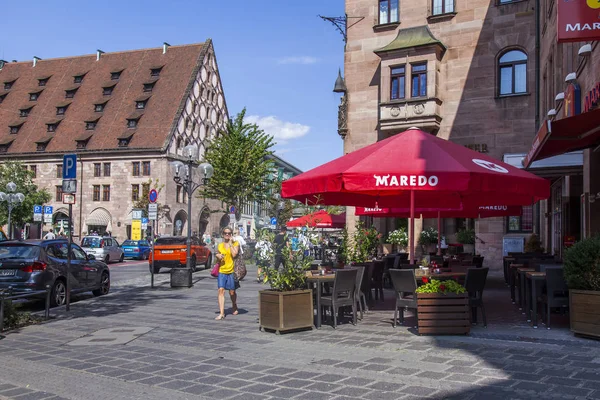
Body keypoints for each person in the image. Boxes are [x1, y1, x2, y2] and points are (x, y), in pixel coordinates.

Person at [214, 227, 239, 320]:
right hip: (222, 271)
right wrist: (218, 256)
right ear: (223, 234)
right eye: (225, 233)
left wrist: (231, 244)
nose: (227, 235)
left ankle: (234, 304)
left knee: (232, 292)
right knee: (221, 290)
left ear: (231, 234)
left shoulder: (235, 243)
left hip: (231, 271)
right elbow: (217, 254)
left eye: (229, 233)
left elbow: (234, 254)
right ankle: (222, 313)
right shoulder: (220, 245)